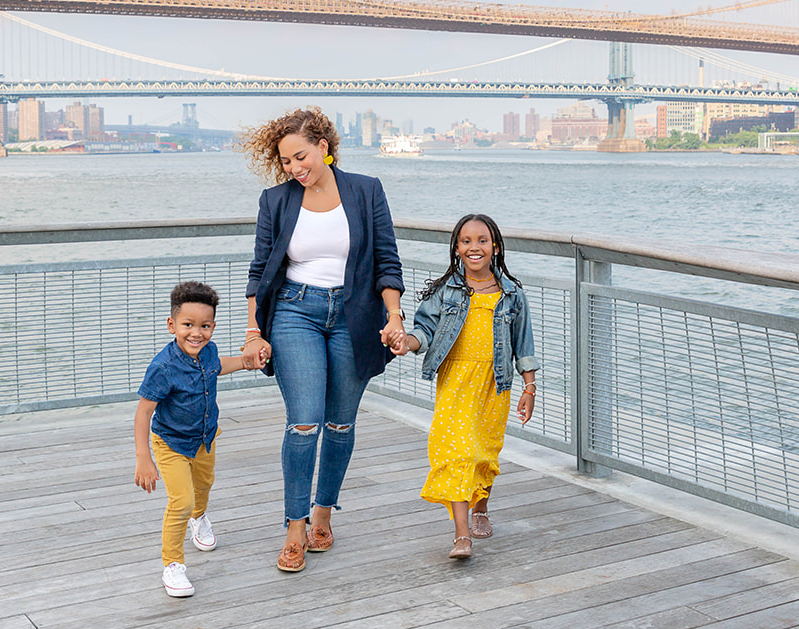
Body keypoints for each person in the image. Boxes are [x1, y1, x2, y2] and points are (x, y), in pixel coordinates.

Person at [239, 107, 405, 573]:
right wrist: (254, 332)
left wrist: (394, 315)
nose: (294, 168)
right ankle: (294, 526)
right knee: (305, 422)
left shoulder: (366, 190)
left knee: (339, 425)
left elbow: (387, 263)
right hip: (295, 312)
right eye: (286, 162)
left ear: (324, 147)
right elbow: (258, 273)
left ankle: (323, 515)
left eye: (300, 157)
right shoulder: (275, 201)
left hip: (354, 316)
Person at [395, 214, 537, 559]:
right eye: (466, 241)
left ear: (496, 247)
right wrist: (406, 342)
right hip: (456, 383)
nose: (475, 247)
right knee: (457, 453)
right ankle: (461, 536)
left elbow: (524, 344)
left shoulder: (512, 294)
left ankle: (481, 509)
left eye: (482, 240)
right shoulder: (447, 291)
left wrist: (529, 388)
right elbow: (424, 331)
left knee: (484, 452)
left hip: (495, 382)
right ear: (457, 249)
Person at [134, 280, 254, 598]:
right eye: (188, 325)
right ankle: (172, 565)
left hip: (204, 438)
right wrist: (143, 458)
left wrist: (245, 361)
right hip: (170, 443)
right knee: (180, 501)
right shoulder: (162, 367)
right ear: (172, 325)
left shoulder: (209, 351)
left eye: (204, 326)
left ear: (213, 326)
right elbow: (144, 413)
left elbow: (217, 367)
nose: (196, 333)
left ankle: (199, 519)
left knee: (203, 485)